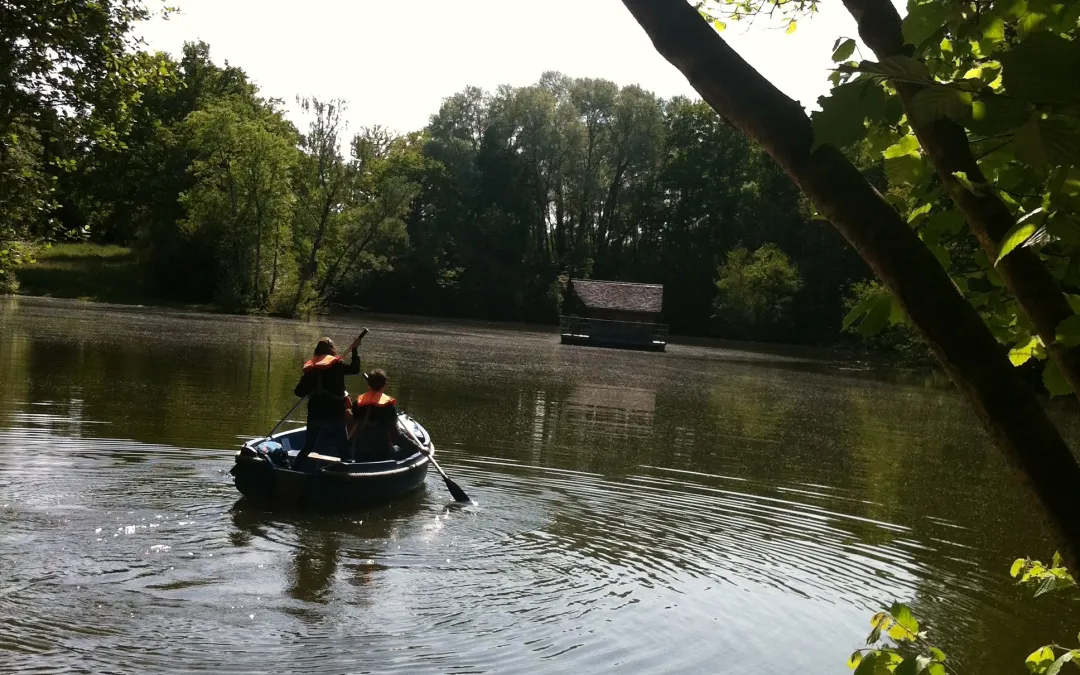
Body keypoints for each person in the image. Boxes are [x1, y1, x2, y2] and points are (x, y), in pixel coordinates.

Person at [292, 335, 362, 467]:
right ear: (332, 351)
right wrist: (355, 350)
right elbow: (355, 369)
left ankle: (294, 468)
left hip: (315, 413)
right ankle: (345, 474)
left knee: (308, 446)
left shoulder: (311, 368)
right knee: (343, 448)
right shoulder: (338, 365)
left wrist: (311, 388)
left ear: (317, 351)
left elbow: (298, 392)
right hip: (334, 413)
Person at [349, 369, 422, 461]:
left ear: (368, 385)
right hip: (381, 455)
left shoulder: (357, 403)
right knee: (412, 450)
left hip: (359, 453)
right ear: (385, 385)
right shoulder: (389, 407)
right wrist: (418, 447)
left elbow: (357, 422)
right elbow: (396, 436)